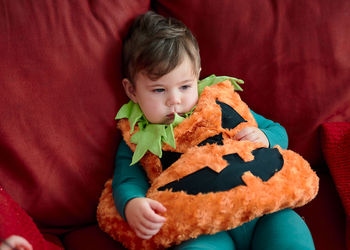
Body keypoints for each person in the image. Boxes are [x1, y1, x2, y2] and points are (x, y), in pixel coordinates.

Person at [112, 11, 315, 249]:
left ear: (197, 77)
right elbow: (126, 179)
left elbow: (277, 130)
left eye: (185, 86)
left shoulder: (219, 105)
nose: (174, 100)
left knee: (291, 232)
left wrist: (266, 137)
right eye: (159, 90)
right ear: (132, 90)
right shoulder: (136, 138)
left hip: (263, 209)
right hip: (203, 226)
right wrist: (132, 203)